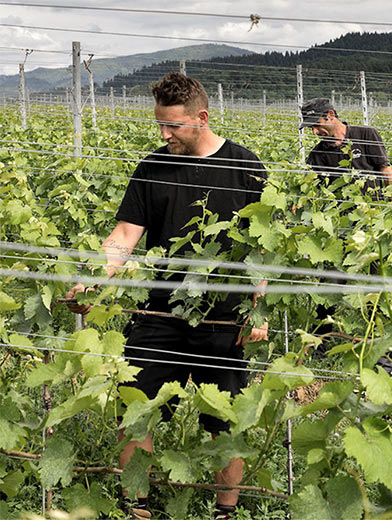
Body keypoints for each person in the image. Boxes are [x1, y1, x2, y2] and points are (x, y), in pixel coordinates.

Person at [65, 73, 268, 520]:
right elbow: (123, 235)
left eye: (173, 126)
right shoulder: (152, 168)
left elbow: (262, 247)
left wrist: (260, 306)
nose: (164, 134)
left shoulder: (246, 167)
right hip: (162, 309)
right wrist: (94, 277)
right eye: (160, 124)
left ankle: (225, 512)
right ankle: (137, 507)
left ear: (202, 118)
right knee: (135, 406)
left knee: (227, 421)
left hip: (225, 317)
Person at [302, 97, 392, 197]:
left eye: (317, 125)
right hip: (338, 211)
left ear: (330, 115)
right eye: (311, 128)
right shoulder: (317, 154)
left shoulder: (366, 134)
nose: (314, 132)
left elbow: (385, 169)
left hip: (372, 208)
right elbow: (313, 187)